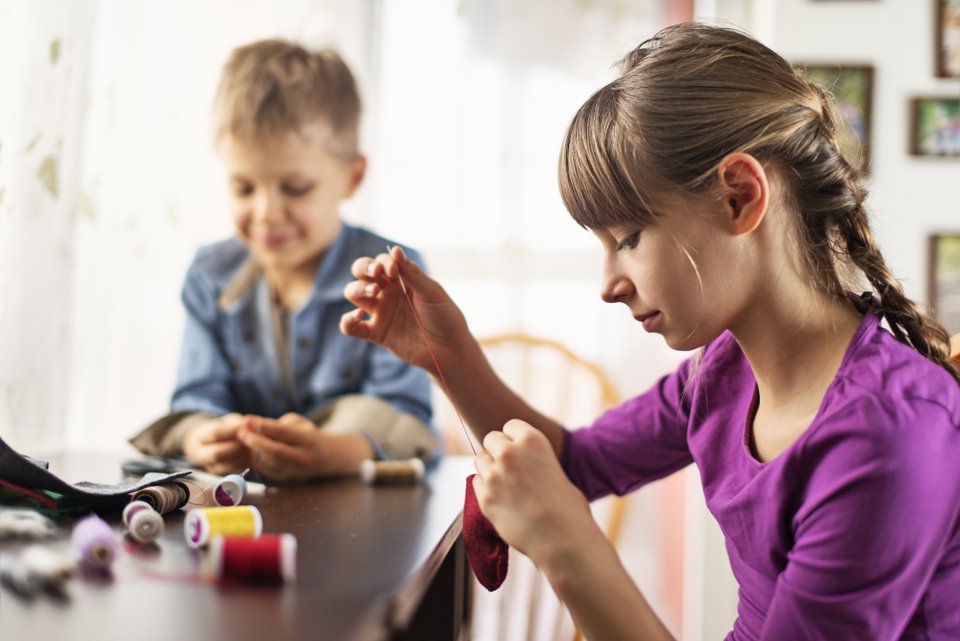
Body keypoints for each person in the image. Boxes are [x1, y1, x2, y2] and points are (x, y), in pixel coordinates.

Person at [340, 23, 960, 641]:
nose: (609, 283)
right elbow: (574, 464)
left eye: (629, 239)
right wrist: (448, 355)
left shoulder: (888, 431)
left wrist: (570, 549)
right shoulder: (722, 373)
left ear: (740, 197)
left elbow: (562, 497)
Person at [130, 39, 438, 482]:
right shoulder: (208, 277)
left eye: (294, 188)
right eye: (243, 188)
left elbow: (404, 413)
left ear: (353, 177)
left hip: (358, 512)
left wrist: (334, 451)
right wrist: (207, 436)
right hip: (241, 508)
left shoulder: (392, 276)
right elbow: (196, 401)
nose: (266, 213)